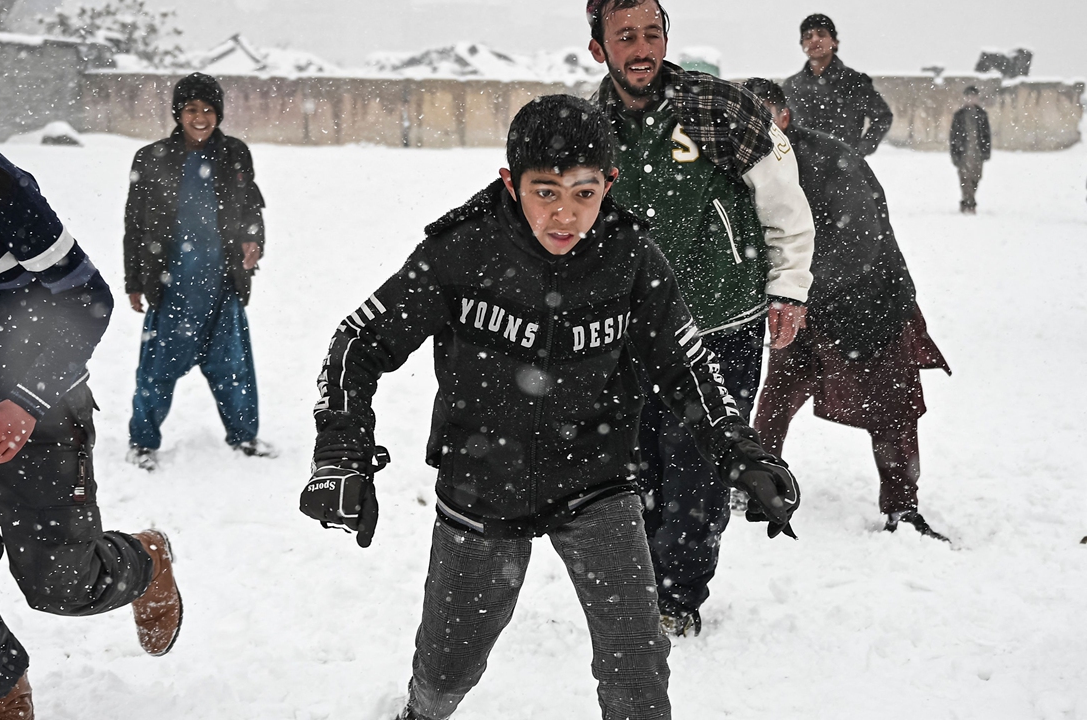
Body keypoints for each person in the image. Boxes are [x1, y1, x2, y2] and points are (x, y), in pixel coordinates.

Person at [299, 94, 800, 720]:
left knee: (637, 659)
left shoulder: (632, 257)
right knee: (448, 665)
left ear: (609, 184)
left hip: (596, 478)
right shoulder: (460, 250)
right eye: (545, 192)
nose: (565, 215)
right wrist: (341, 453)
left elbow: (687, 366)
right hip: (482, 484)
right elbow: (356, 343)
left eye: (584, 194)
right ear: (511, 182)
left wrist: (740, 448)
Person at [0, 42, 182, 720]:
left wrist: (23, 401)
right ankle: (0, 695)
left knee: (62, 585)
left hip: (39, 410)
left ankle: (143, 560)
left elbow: (88, 300)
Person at [586, 0, 814, 636]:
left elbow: (783, 197)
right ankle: (636, 583)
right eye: (624, 36)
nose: (641, 49)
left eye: (651, 34)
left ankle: (677, 594)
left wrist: (789, 287)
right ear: (598, 49)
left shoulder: (718, 107)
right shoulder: (587, 124)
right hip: (629, 332)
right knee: (630, 467)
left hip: (722, 323)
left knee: (699, 467)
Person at [744, 77, 952, 541]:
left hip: (870, 303)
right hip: (802, 305)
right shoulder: (746, 169)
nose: (758, 130)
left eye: (766, 118)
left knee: (892, 412)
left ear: (785, 118)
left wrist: (794, 292)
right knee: (777, 393)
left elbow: (859, 245)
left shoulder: (833, 161)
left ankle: (902, 507)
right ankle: (753, 484)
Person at [123, 72, 274, 471]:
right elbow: (135, 225)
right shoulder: (151, 158)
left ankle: (245, 437)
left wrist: (253, 241)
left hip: (222, 283)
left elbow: (251, 208)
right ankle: (142, 443)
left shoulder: (235, 153)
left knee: (233, 368)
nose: (201, 117)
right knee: (156, 371)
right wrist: (134, 281)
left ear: (219, 113)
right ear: (179, 113)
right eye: (192, 109)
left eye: (208, 109)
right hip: (171, 284)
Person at [782, 13, 894, 158]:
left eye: (821, 34)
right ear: (802, 45)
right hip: (802, 172)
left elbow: (882, 117)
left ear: (834, 42)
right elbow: (781, 125)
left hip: (844, 172)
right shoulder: (791, 86)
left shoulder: (854, 82)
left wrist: (860, 151)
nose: (814, 39)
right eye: (808, 36)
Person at [949, 86, 992, 214]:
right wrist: (955, 153)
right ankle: (970, 204)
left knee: (976, 178)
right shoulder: (959, 115)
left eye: (973, 97)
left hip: (977, 152)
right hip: (963, 152)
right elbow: (953, 136)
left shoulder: (982, 115)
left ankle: (966, 201)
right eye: (968, 96)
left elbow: (986, 135)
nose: (970, 99)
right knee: (965, 178)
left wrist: (986, 151)